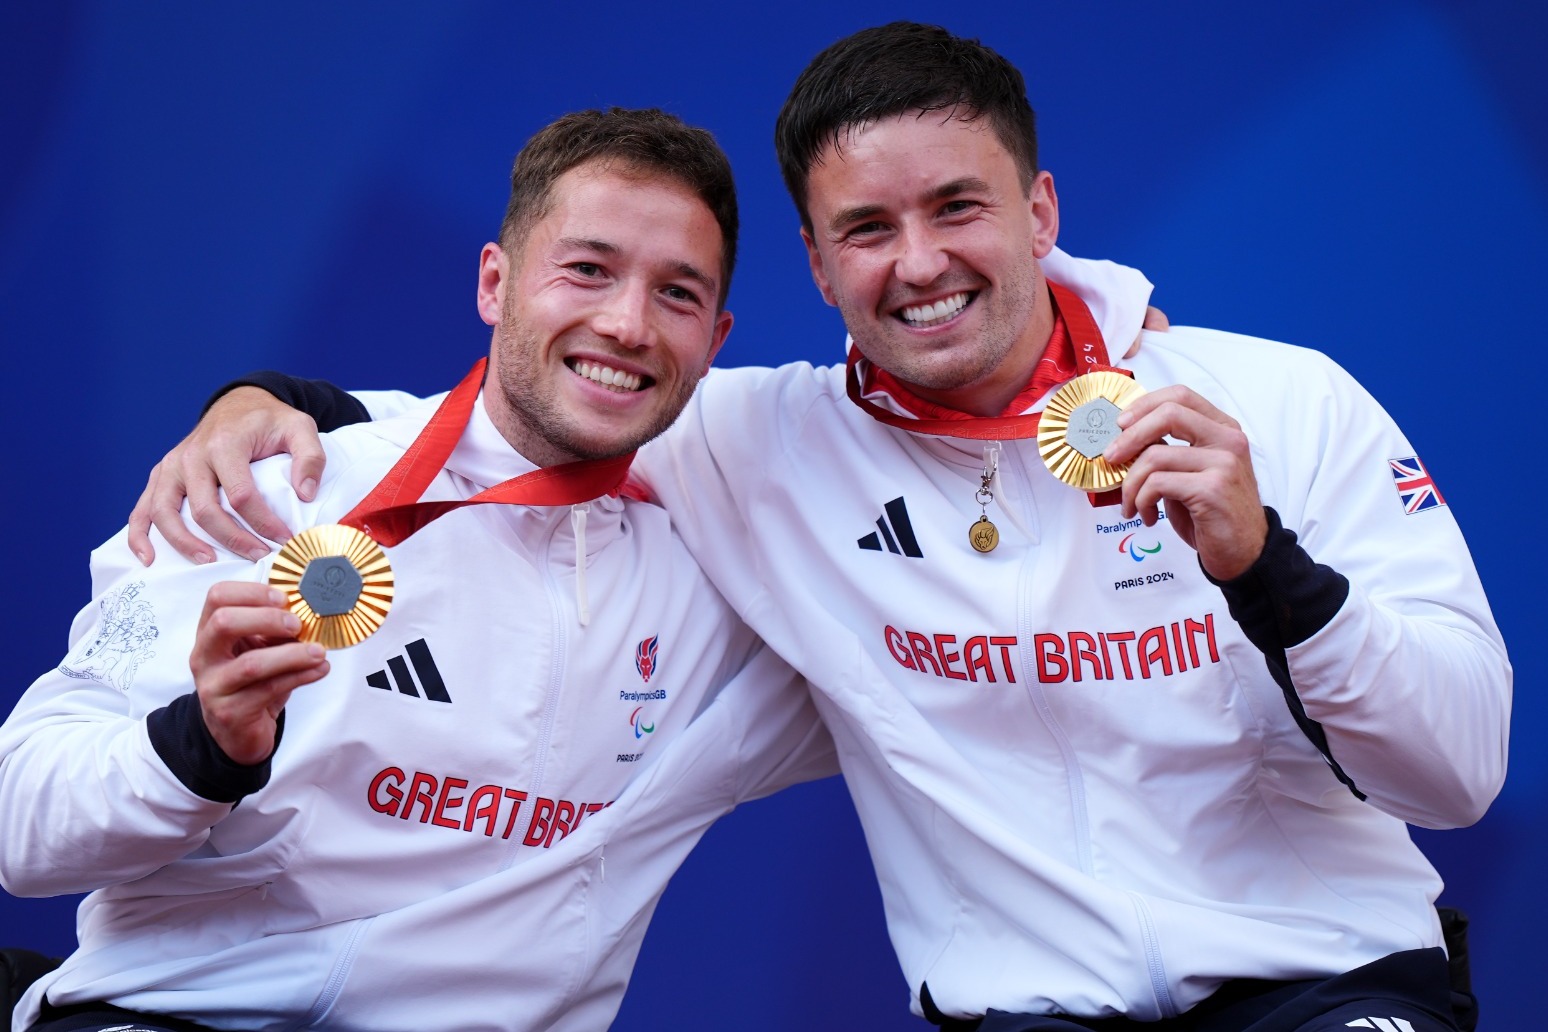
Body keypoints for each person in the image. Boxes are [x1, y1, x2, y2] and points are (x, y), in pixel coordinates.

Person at [128, 22, 1510, 1032]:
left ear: (1040, 211)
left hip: (1329, 985)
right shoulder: (762, 438)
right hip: (1027, 1009)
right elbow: (529, 410)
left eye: (958, 205)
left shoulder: (1279, 401)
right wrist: (264, 403)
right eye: (866, 227)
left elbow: (1458, 774)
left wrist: (1270, 567)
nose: (918, 263)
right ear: (814, 264)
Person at [0, 107, 840, 1032]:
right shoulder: (276, 487)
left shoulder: (724, 564)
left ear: (716, 343)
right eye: (588, 270)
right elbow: (21, 826)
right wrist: (199, 746)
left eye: (677, 294)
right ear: (496, 282)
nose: (628, 323)